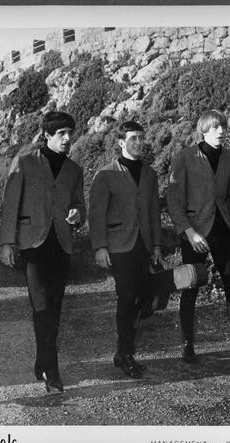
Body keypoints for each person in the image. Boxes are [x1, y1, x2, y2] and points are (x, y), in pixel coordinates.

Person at [166, 110, 230, 376]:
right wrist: (189, 232)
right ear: (203, 130)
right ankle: (187, 344)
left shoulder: (229, 157)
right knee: (191, 286)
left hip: (222, 231)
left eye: (223, 127)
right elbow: (173, 201)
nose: (220, 131)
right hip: (194, 233)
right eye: (214, 127)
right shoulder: (185, 157)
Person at [0, 111, 85, 394]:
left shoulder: (74, 170)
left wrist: (78, 214)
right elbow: (10, 205)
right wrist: (7, 243)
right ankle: (52, 369)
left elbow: (79, 205)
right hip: (32, 245)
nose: (67, 138)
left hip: (61, 245)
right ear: (47, 135)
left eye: (70, 133)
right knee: (41, 306)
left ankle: (43, 360)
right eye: (61, 134)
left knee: (55, 307)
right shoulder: (25, 162)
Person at [89, 121, 162, 379]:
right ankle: (126, 353)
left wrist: (156, 245)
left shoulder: (150, 174)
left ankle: (123, 352)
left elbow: (154, 213)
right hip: (119, 246)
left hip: (144, 245)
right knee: (127, 297)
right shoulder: (105, 174)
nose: (138, 142)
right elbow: (96, 214)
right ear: (121, 142)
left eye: (141, 138)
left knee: (143, 298)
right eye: (133, 138)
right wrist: (100, 247)